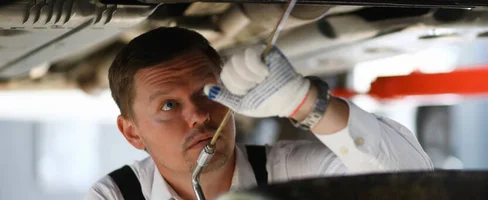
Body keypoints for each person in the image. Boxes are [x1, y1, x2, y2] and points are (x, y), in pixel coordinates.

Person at [85, 27, 433, 200]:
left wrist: (306, 102)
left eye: (207, 93)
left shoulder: (291, 173)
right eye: (169, 106)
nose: (198, 116)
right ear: (132, 133)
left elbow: (413, 186)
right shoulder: (118, 195)